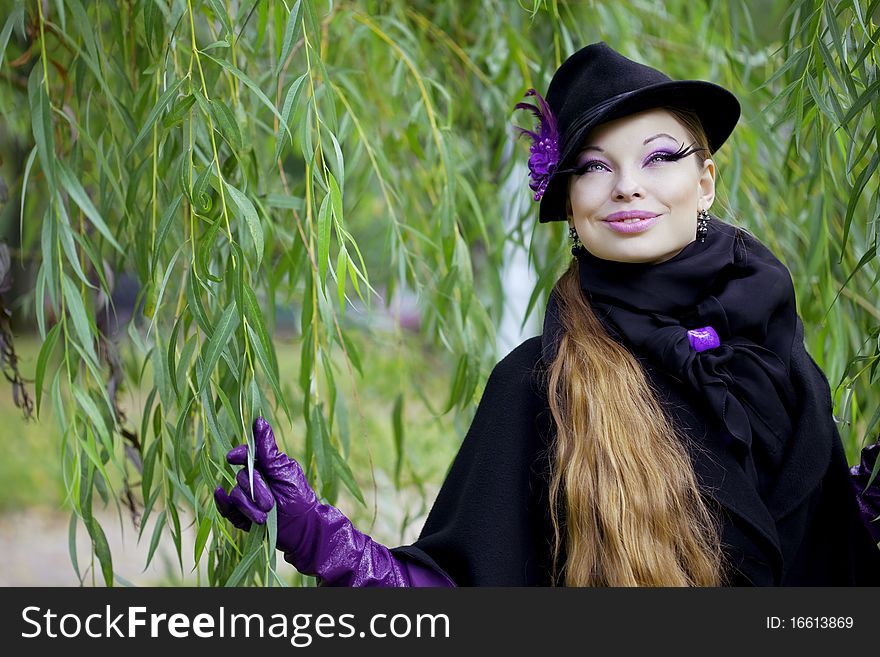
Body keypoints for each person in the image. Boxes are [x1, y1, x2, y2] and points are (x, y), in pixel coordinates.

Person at [214, 42, 880, 586]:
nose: (628, 185)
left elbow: (820, 549)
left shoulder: (774, 346)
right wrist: (319, 538)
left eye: (660, 156)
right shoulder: (539, 383)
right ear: (570, 205)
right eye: (594, 167)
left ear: (705, 180)